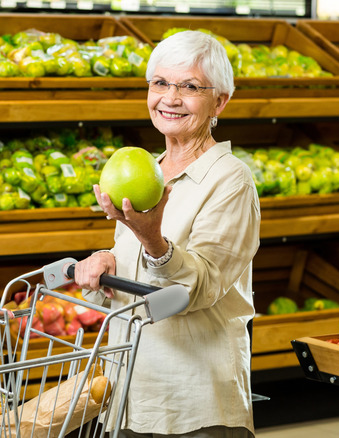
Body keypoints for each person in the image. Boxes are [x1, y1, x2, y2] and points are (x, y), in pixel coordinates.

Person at [74, 30, 261, 438]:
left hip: (194, 401)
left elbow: (203, 286)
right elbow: (138, 273)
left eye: (190, 87)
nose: (170, 98)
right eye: (160, 83)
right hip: (129, 391)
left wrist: (151, 239)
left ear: (220, 101)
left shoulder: (231, 180)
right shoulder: (149, 172)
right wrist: (108, 261)